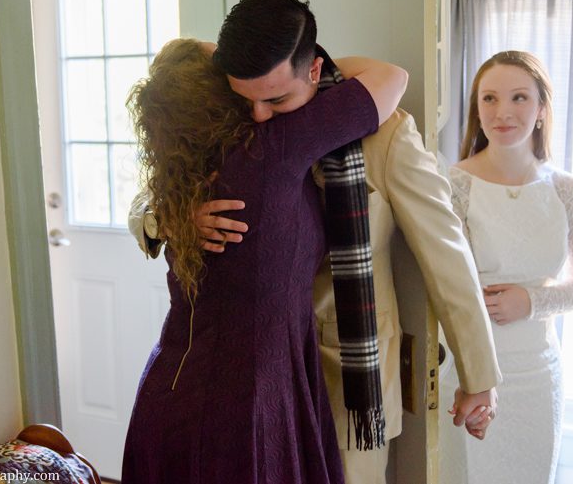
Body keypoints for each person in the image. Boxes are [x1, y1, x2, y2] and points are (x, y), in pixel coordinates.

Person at [130, 0, 502, 484]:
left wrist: (479, 376)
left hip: (349, 372)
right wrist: (169, 219)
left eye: (276, 99)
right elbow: (156, 187)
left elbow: (446, 253)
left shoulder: (384, 134)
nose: (259, 115)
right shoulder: (234, 129)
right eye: (248, 100)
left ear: (311, 71)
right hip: (263, 383)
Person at [121, 37, 408, 484]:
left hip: (172, 392)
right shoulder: (274, 148)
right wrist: (302, 68)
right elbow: (392, 77)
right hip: (242, 410)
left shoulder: (180, 170)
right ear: (230, 92)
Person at [438, 50, 573, 484]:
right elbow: (445, 284)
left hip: (538, 371)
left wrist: (531, 301)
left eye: (519, 98)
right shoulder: (453, 185)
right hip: (470, 367)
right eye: (489, 98)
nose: (502, 112)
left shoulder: (567, 190)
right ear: (477, 108)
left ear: (542, 110)